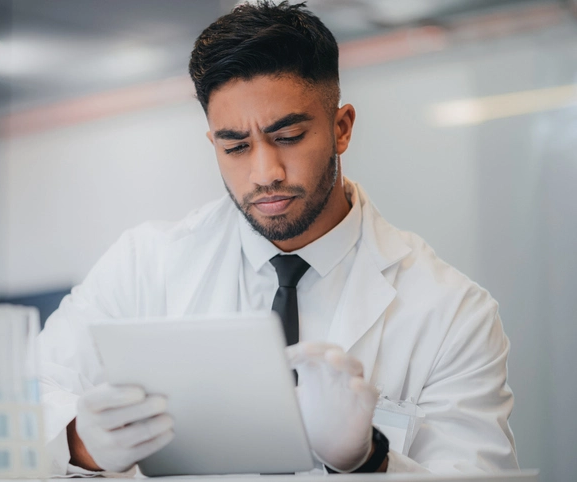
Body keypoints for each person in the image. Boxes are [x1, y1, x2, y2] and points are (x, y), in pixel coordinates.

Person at [37, 0, 519, 475]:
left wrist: (371, 462)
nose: (265, 173)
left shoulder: (452, 311)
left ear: (342, 127)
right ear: (214, 144)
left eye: (287, 137)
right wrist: (81, 442)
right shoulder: (143, 266)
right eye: (236, 147)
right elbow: (25, 400)